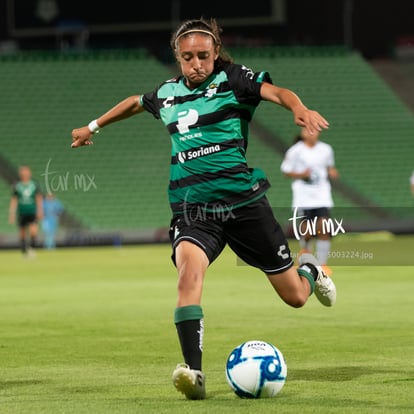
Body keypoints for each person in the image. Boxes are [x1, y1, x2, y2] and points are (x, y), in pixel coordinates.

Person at [70, 18, 336, 400]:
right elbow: (134, 102)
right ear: (177, 57)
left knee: (294, 295)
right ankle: (193, 372)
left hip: (244, 206)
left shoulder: (233, 80)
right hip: (193, 210)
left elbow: (277, 92)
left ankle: (310, 270)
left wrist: (299, 107)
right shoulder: (166, 93)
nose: (197, 64)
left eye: (204, 56)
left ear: (215, 54)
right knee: (187, 277)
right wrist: (92, 126)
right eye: (188, 57)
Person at [280, 127, 339, 275]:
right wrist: (301, 174)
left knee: (323, 228)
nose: (310, 133)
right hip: (304, 196)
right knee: (307, 231)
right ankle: (305, 250)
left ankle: (323, 263)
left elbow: (330, 167)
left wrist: (332, 172)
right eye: (307, 130)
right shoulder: (295, 151)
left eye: (313, 130)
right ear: (302, 133)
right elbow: (286, 171)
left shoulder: (326, 150)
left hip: (322, 195)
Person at [8, 165, 43, 257]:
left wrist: (40, 210)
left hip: (32, 211)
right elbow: (14, 199)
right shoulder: (17, 185)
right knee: (22, 232)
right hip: (21, 212)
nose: (25, 173)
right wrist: (12, 213)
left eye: (26, 171)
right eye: (23, 172)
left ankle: (31, 248)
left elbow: (38, 198)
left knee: (33, 230)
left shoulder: (34, 184)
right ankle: (24, 251)